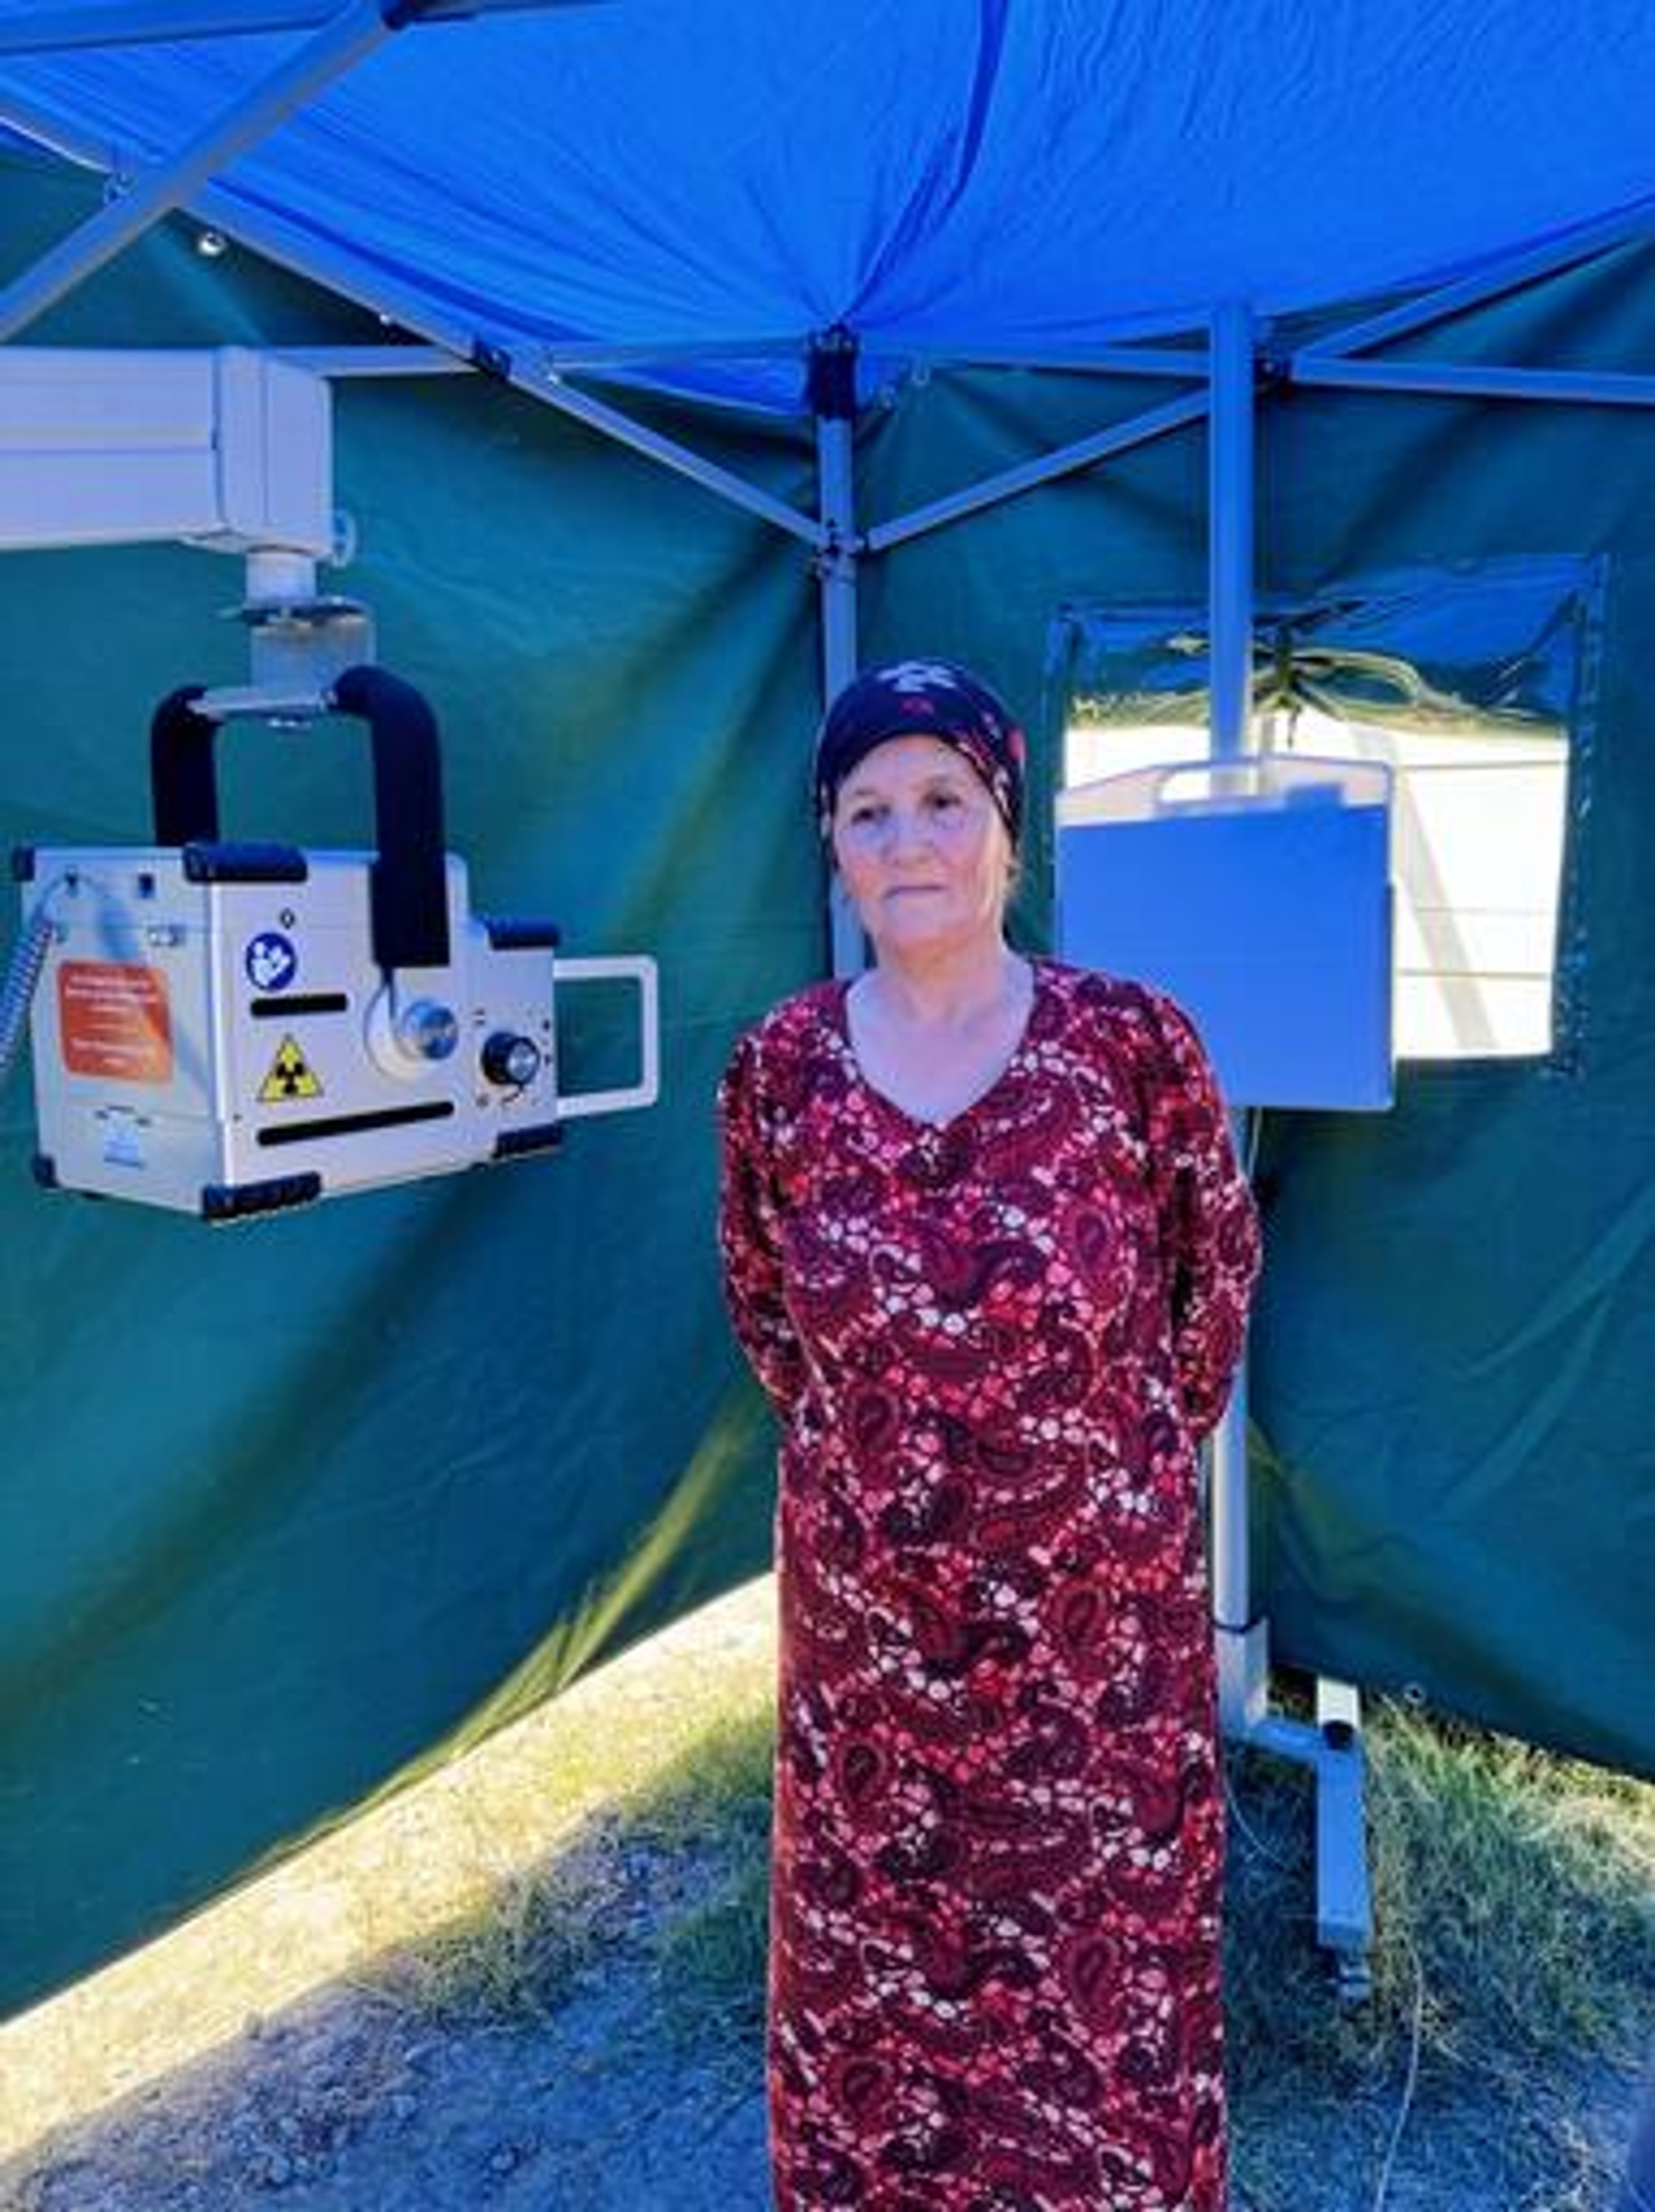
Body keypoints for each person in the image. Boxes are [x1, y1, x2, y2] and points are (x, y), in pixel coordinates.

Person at [717, 658, 1261, 2211]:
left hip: (1095, 1652)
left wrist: (1095, 1483)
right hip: (873, 1652)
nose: (909, 843)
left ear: (1009, 829)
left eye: (943, 800)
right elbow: (767, 1312)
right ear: (832, 844)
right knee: (878, 1993)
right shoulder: (777, 1071)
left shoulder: (1132, 1047)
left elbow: (1212, 1289)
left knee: (1105, 2008)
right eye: (868, 811)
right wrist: (898, 1486)